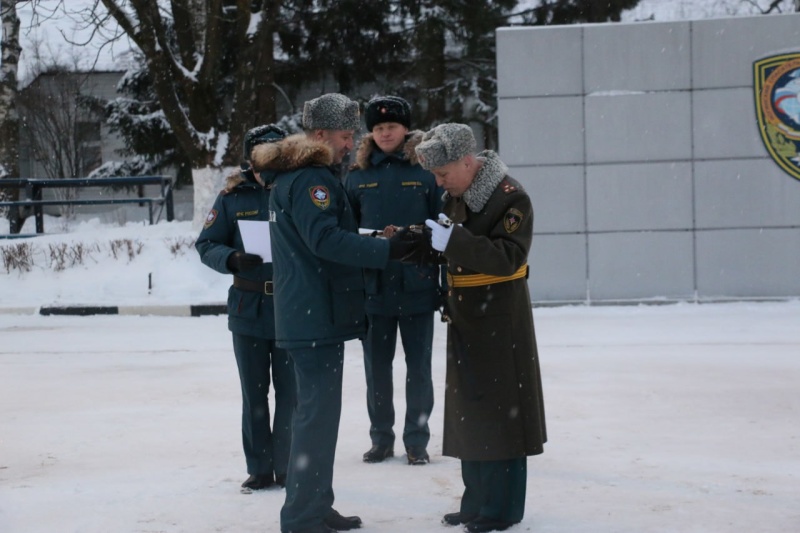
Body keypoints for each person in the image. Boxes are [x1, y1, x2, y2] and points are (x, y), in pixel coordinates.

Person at [253, 93, 424, 533]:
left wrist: (372, 240)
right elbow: (325, 241)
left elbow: (323, 238)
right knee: (316, 419)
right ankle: (303, 515)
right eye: (346, 136)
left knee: (316, 418)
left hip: (308, 311)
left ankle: (313, 504)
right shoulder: (314, 180)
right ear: (321, 135)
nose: (351, 144)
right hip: (315, 314)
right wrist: (384, 250)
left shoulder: (295, 178)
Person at [414, 123, 547, 533]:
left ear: (467, 162)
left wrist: (451, 242)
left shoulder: (511, 197)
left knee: (502, 415)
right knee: (471, 412)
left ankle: (503, 508)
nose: (439, 183)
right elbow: (449, 243)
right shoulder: (458, 193)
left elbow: (509, 256)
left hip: (500, 319)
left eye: (443, 174)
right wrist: (413, 242)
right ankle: (476, 501)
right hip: (466, 315)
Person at [195, 124, 295, 493]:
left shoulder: (295, 189)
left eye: (275, 152)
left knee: (291, 393)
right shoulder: (232, 197)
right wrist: (232, 258)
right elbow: (206, 243)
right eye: (262, 153)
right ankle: (259, 467)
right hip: (248, 306)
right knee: (254, 393)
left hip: (291, 306)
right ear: (250, 157)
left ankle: (286, 466)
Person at [344, 96, 443, 466]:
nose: (385, 133)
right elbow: (345, 232)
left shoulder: (425, 170)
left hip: (417, 284)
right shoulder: (357, 174)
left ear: (406, 129)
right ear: (371, 132)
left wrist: (417, 239)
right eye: (379, 127)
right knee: (377, 369)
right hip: (374, 288)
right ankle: (381, 439)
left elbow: (442, 227)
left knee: (419, 368)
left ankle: (417, 440)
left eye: (392, 127)